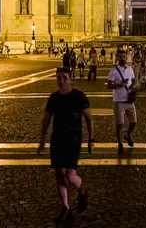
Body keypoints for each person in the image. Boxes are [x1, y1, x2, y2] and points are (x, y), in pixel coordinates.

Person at [38, 67, 93, 224]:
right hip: (57, 140)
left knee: (69, 174)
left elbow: (89, 118)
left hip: (73, 139)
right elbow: (46, 118)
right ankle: (66, 207)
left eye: (64, 77)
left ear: (71, 78)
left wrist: (91, 139)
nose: (61, 80)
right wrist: (42, 139)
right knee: (59, 174)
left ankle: (82, 189)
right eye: (58, 77)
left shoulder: (79, 97)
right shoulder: (54, 98)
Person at [108, 50, 137, 154]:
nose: (122, 58)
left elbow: (132, 80)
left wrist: (133, 86)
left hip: (129, 100)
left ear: (126, 57)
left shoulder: (130, 69)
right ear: (117, 58)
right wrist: (119, 84)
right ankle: (120, 143)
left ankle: (127, 135)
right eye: (120, 56)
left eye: (124, 56)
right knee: (120, 124)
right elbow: (109, 85)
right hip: (118, 100)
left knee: (133, 122)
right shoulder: (113, 71)